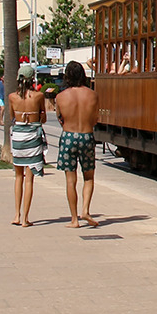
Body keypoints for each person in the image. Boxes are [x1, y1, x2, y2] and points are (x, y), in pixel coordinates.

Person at [53, 61, 99, 229]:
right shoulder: (93, 95)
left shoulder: (61, 97)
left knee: (70, 180)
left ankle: (74, 219)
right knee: (88, 177)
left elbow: (60, 117)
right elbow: (95, 119)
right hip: (87, 136)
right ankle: (85, 209)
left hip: (68, 137)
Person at [6, 64, 46, 226]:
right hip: (32, 136)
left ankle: (16, 214)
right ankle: (25, 218)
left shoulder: (12, 97)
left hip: (18, 136)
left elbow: (11, 117)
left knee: (18, 177)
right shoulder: (38, 96)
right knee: (29, 179)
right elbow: (42, 118)